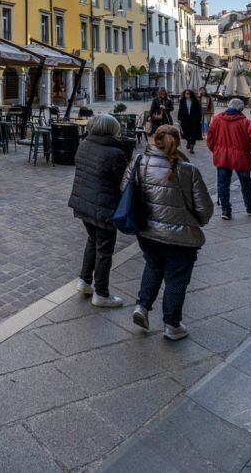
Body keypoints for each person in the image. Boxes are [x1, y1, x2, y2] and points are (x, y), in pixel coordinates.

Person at [131, 124, 213, 341]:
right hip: (180, 236)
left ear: (154, 139)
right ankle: (172, 324)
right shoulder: (189, 170)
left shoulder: (139, 162)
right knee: (176, 280)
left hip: (147, 231)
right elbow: (205, 208)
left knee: (153, 266)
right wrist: (198, 222)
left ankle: (142, 306)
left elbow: (126, 191)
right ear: (178, 141)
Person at [67, 114, 136, 307]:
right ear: (111, 130)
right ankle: (101, 293)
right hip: (104, 207)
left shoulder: (84, 145)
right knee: (105, 250)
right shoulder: (114, 152)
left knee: (92, 241)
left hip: (83, 203)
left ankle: (84, 280)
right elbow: (124, 181)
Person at [206, 97, 251, 219]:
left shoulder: (217, 120)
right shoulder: (245, 122)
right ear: (241, 109)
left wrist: (216, 150)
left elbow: (210, 139)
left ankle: (226, 210)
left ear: (228, 106)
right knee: (246, 183)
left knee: (223, 184)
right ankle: (250, 206)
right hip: (241, 157)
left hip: (222, 156)